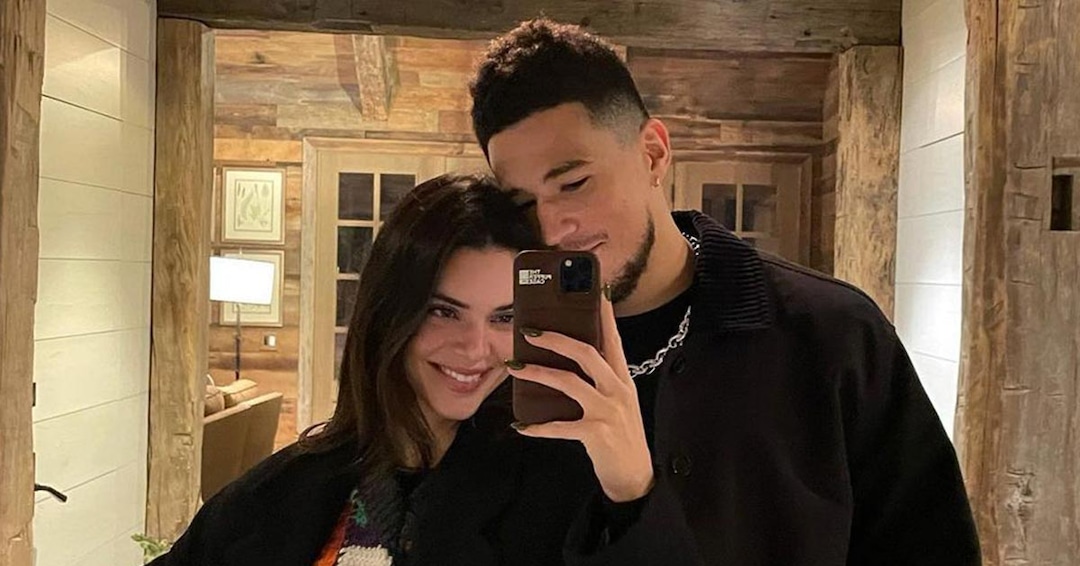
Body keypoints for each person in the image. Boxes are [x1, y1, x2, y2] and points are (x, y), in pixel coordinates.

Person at [471, 19, 982, 565]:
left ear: (653, 154)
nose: (552, 228)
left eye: (574, 184)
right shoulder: (511, 360)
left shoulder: (832, 334)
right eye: (522, 203)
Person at [149, 174, 596, 566]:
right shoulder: (279, 495)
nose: (476, 348)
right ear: (390, 313)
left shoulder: (557, 491)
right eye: (443, 311)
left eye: (503, 317)